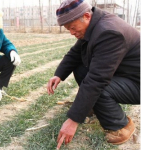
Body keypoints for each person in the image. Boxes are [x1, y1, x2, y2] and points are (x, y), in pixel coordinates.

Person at [46, 0, 140, 149]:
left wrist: (74, 119)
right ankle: (94, 106)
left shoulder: (109, 32)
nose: (71, 32)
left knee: (99, 88)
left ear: (86, 16)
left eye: (72, 27)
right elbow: (75, 53)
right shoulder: (93, 26)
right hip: (127, 75)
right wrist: (59, 74)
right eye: (67, 29)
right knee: (81, 68)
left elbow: (97, 80)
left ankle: (121, 127)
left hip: (137, 83)